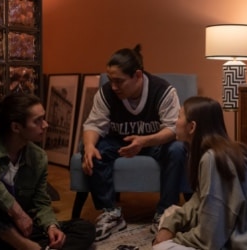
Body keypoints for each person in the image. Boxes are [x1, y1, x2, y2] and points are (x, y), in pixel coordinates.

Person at [80, 44, 189, 240]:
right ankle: (111, 213)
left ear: (137, 75)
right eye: (111, 80)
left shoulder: (163, 91)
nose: (113, 86)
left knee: (178, 149)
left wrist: (145, 141)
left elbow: (173, 129)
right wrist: (88, 146)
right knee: (92, 148)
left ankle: (165, 212)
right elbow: (94, 125)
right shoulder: (107, 93)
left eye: (119, 81)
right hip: (119, 143)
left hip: (155, 141)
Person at [152, 96, 247, 250]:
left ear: (192, 127)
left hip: (246, 245)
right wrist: (170, 226)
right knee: (170, 215)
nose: (175, 122)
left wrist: (175, 239)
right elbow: (198, 200)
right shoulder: (218, 151)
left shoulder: (212, 159)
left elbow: (210, 236)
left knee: (162, 248)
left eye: (179, 117)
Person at [0, 92, 93, 249]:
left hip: (18, 227)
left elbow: (40, 201)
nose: (45, 124)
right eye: (38, 121)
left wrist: (51, 226)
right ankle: (24, 246)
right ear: (16, 127)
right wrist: (16, 211)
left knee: (84, 228)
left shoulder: (38, 157)